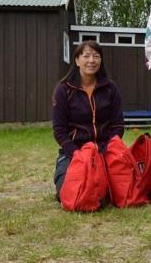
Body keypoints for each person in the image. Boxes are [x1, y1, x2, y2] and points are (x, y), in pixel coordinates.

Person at [52, 40, 124, 199]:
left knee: (111, 194)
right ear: (77, 60)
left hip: (104, 150)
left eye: (96, 56)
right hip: (74, 153)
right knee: (68, 193)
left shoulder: (110, 88)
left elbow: (118, 125)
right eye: (86, 56)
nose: (92, 60)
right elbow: (59, 131)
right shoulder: (63, 89)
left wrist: (107, 150)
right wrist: (77, 154)